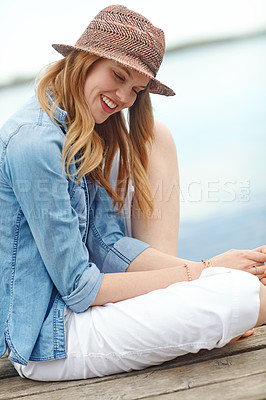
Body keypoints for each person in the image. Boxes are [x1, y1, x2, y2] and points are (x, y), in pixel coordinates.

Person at [0, 5, 266, 381]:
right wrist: (205, 272)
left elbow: (106, 244)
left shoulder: (85, 129)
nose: (124, 98)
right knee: (242, 295)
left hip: (79, 313)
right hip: (51, 341)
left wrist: (211, 270)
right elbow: (79, 289)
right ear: (86, 60)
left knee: (240, 284)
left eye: (136, 90)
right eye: (118, 76)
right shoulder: (35, 143)